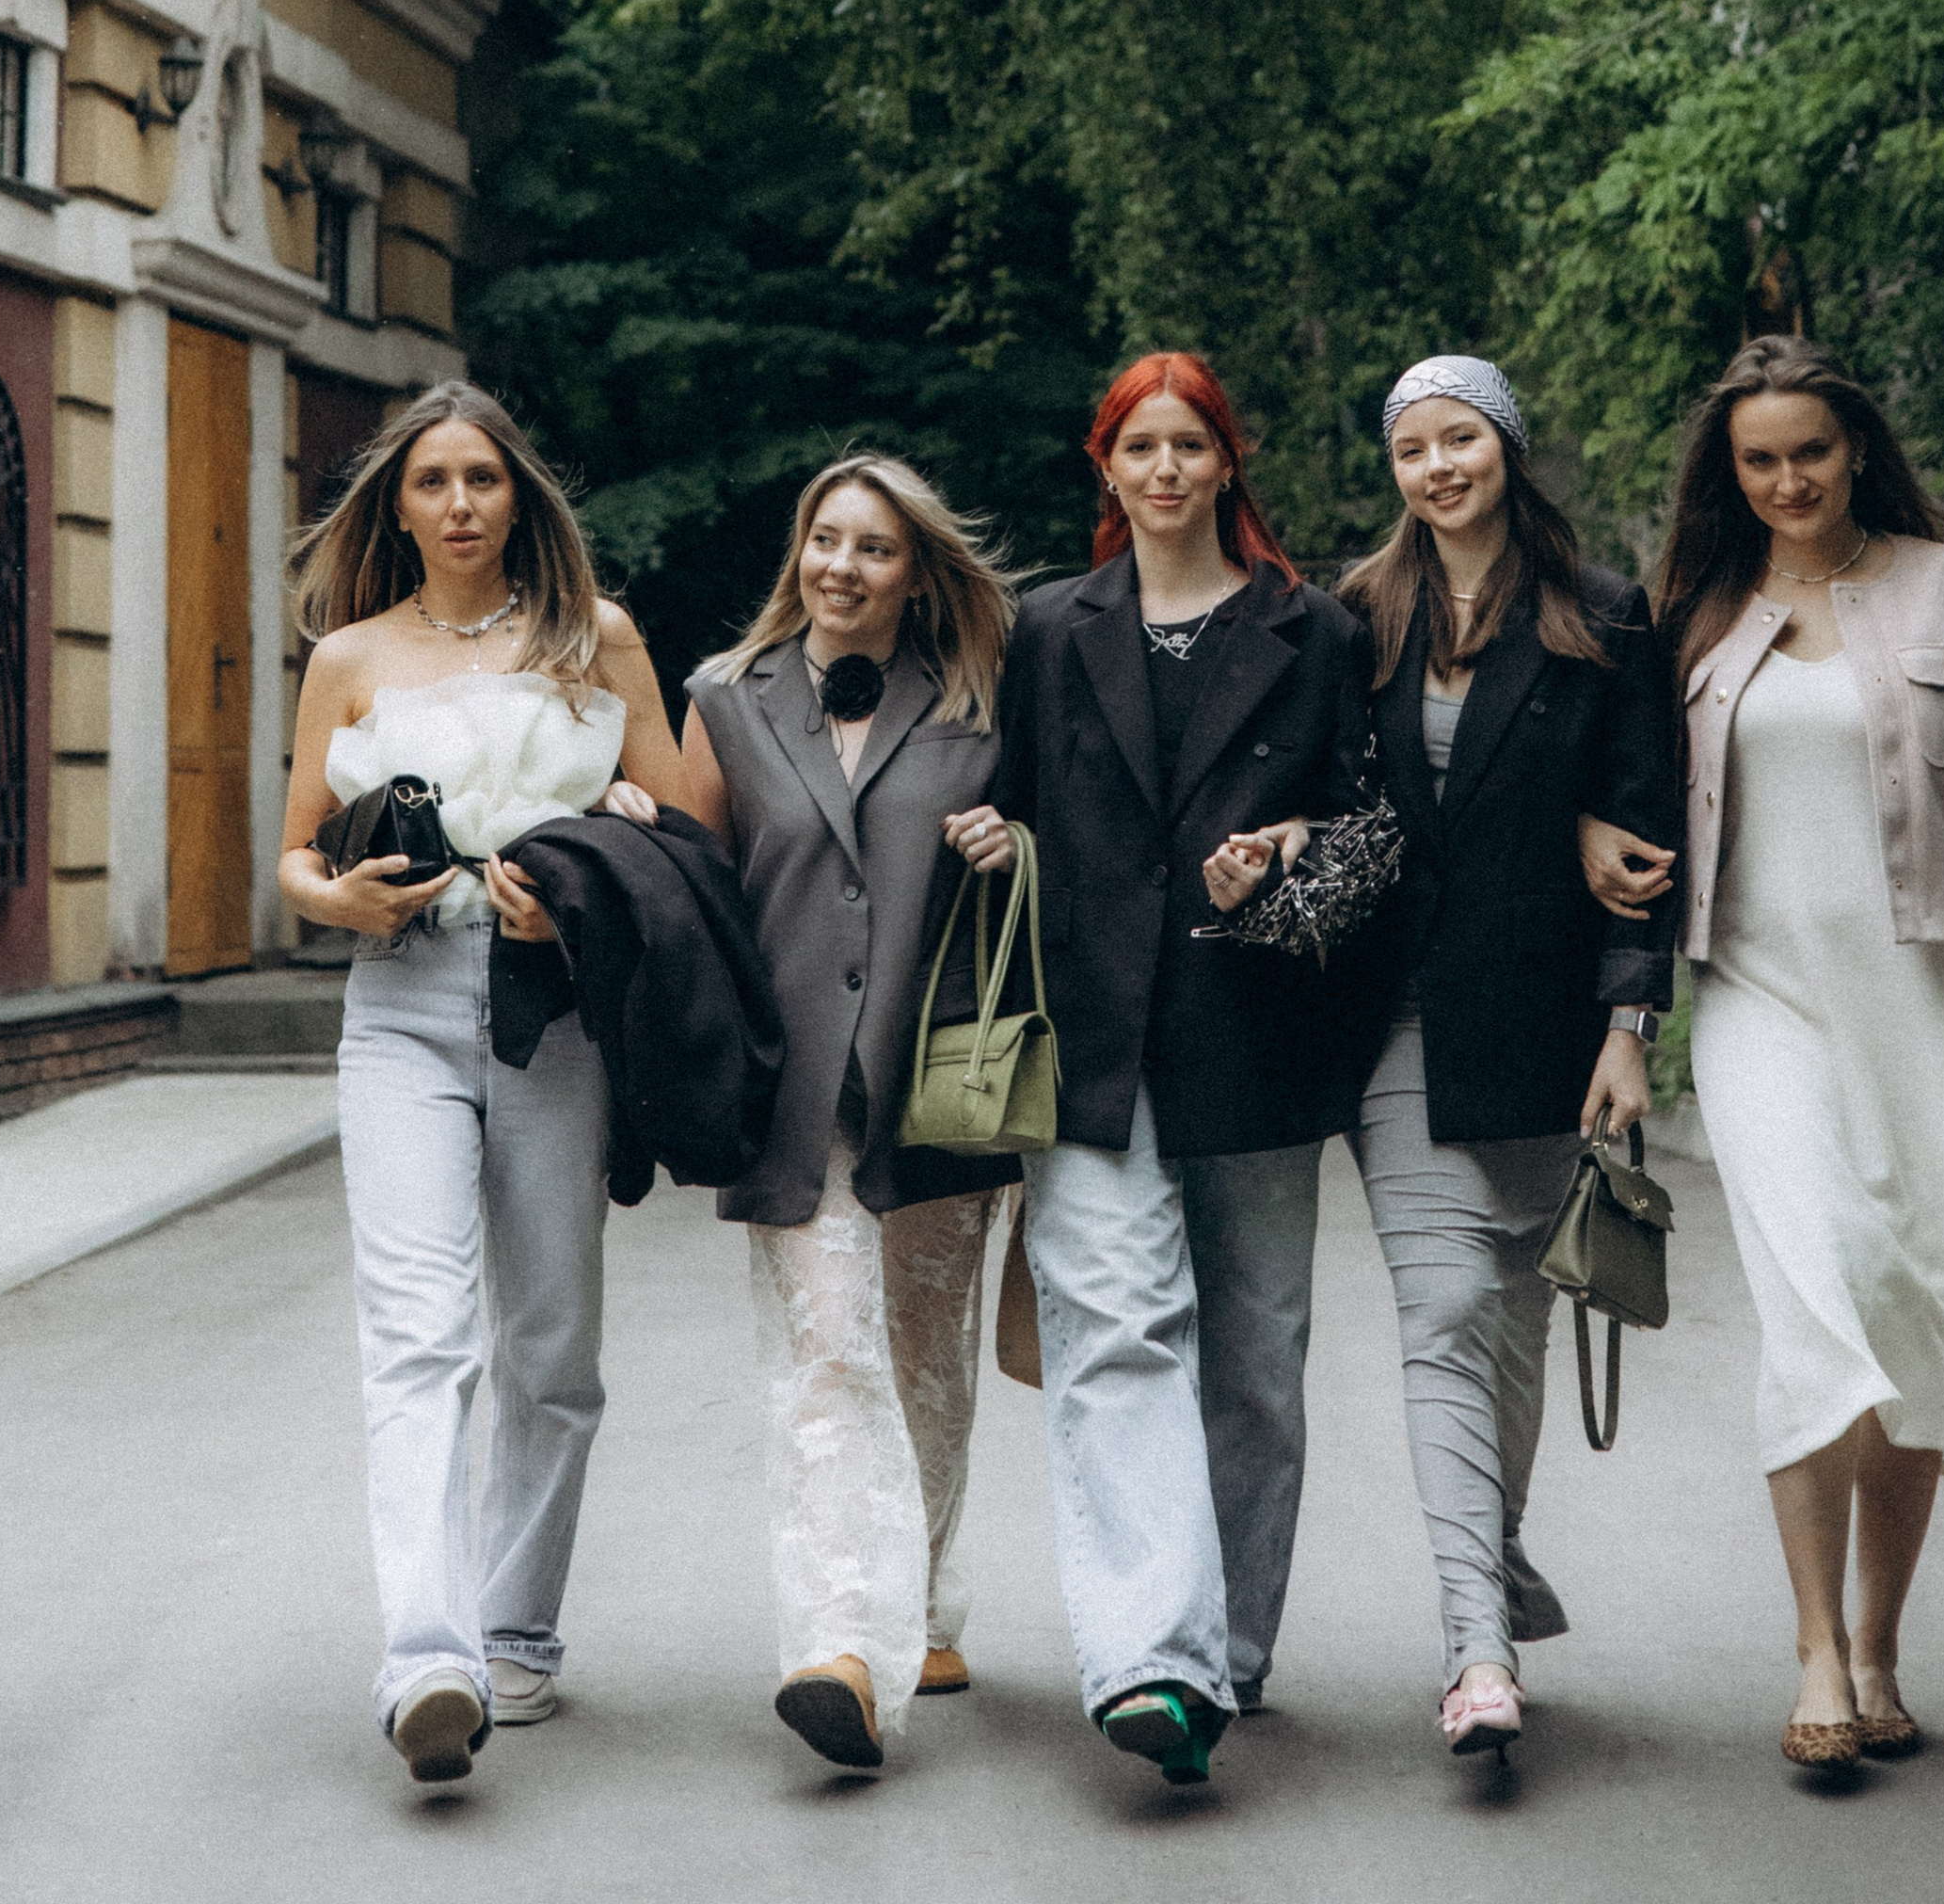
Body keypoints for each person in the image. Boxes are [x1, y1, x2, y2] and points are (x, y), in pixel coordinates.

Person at [1649, 333, 1944, 1777]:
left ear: (1856, 449)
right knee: (1810, 1309)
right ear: (1731, 473)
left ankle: (1885, 1639)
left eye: (1811, 453)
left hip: (1923, 1002)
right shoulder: (1695, 613)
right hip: (1756, 1002)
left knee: (1905, 1312)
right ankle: (1816, 1650)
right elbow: (1615, 792)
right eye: (1759, 460)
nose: (1788, 481)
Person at [953, 351, 1371, 1784]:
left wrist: (1299, 846)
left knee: (1255, 1360)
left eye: (1193, 445)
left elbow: (1366, 816)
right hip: (1092, 1039)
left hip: (1259, 1036)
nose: (1169, 470)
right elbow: (1010, 795)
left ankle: (1230, 1651)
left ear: (1227, 465)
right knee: (1119, 1340)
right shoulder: (1051, 628)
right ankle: (1149, 1657)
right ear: (1109, 467)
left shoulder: (1310, 632)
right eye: (1143, 447)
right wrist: (999, 838)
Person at [279, 380, 691, 1785]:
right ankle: (426, 1657)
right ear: (397, 503)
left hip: (554, 1013)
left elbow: (691, 840)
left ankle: (517, 1630)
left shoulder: (600, 640)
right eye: (433, 481)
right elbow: (291, 858)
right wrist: (342, 906)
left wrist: (596, 870)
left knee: (551, 1347)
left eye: (484, 479)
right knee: (416, 1337)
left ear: (521, 497)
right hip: (396, 1004)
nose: (460, 503)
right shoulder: (346, 657)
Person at [1336, 355, 1680, 1758]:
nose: (1437, 466)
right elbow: (1314, 784)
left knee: (1520, 1324)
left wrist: (1630, 1024)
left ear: (1506, 450)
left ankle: (1495, 1541)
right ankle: (1477, 1650)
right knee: (1441, 1317)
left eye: (1460, 438)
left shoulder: (1599, 613)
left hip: (1548, 1018)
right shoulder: (1356, 614)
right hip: (1398, 1014)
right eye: (1412, 447)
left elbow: (1643, 819)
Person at [679, 456, 1022, 1775]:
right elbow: (692, 885)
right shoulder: (724, 694)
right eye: (827, 541)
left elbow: (1054, 843)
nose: (844, 567)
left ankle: (927, 1604)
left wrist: (1014, 842)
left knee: (928, 1366)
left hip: (938, 1074)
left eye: (876, 549)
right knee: (829, 1358)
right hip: (791, 1087)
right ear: (798, 551)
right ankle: (845, 1650)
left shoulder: (987, 697)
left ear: (916, 571)